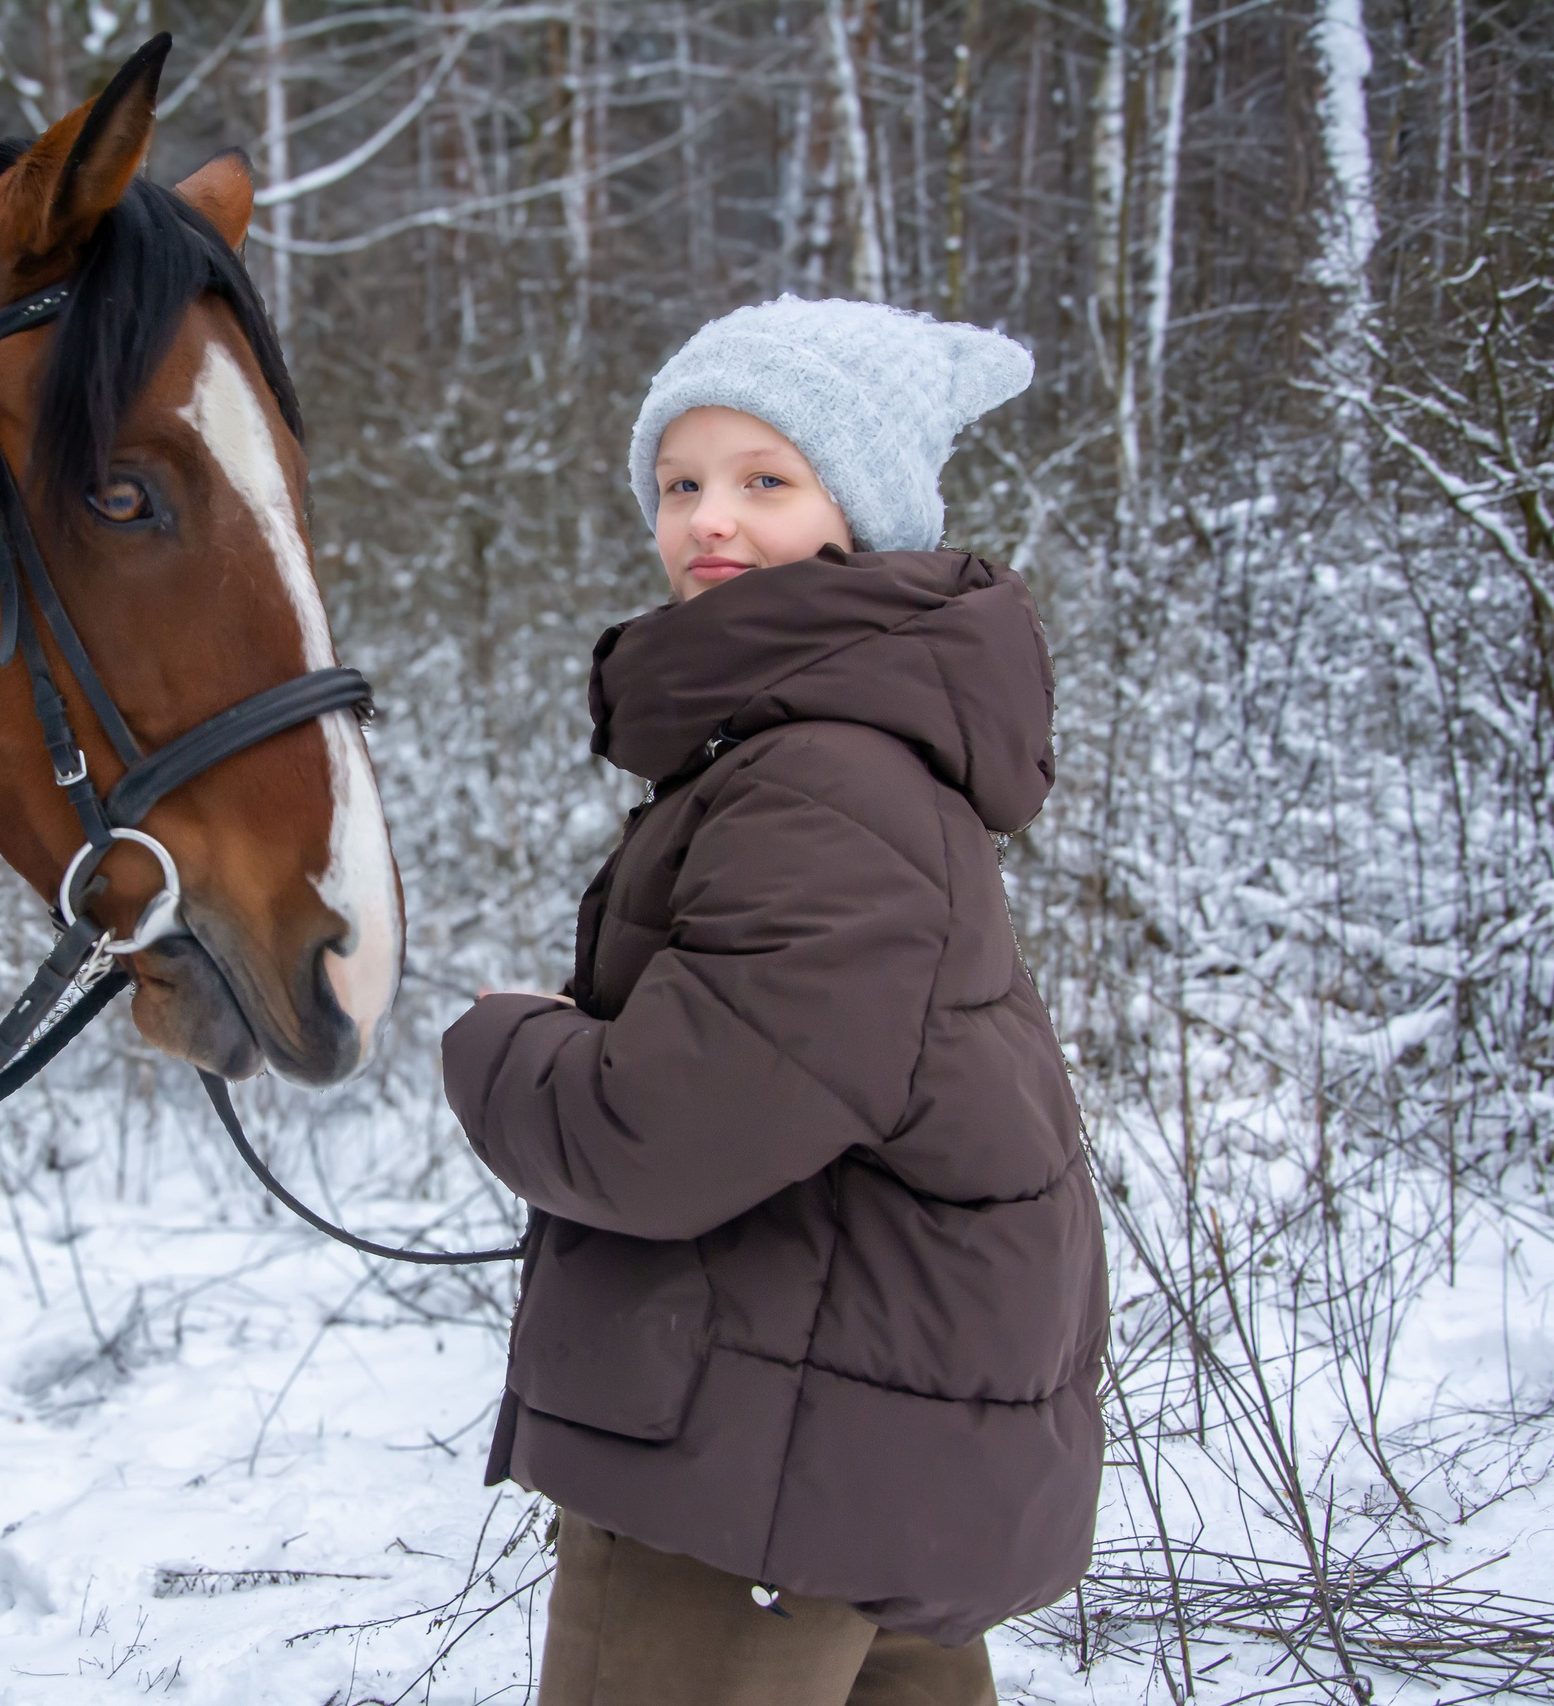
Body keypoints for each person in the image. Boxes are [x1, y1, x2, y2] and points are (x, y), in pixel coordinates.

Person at [441, 296, 1108, 1706]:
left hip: (758, 1455)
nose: (708, 522)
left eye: (765, 480)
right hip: (852, 1428)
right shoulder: (828, 744)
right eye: (681, 484)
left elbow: (669, 1126)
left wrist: (504, 1046)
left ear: (854, 514)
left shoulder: (823, 775)